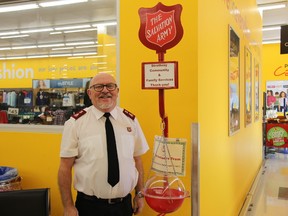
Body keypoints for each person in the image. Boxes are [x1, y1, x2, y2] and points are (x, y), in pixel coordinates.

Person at [58, 73, 149, 216]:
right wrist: (68, 206)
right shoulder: (75, 123)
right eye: (98, 87)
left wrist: (139, 194)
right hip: (89, 207)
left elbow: (137, 160)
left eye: (110, 86)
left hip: (124, 206)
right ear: (89, 93)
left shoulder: (130, 121)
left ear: (117, 91)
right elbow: (65, 167)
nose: (105, 90)